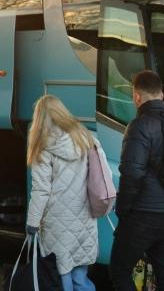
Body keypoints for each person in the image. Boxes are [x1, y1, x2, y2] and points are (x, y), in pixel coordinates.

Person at [110, 70, 164, 291]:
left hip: (145, 215)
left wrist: (123, 211)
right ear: (161, 95)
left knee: (119, 270)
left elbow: (132, 174)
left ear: (136, 97)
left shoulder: (139, 126)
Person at [25, 95, 102, 291]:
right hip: (84, 219)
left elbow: (41, 190)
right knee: (80, 278)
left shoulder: (42, 146)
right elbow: (102, 175)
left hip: (56, 225)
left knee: (61, 277)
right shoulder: (86, 138)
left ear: (40, 118)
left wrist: (32, 223)